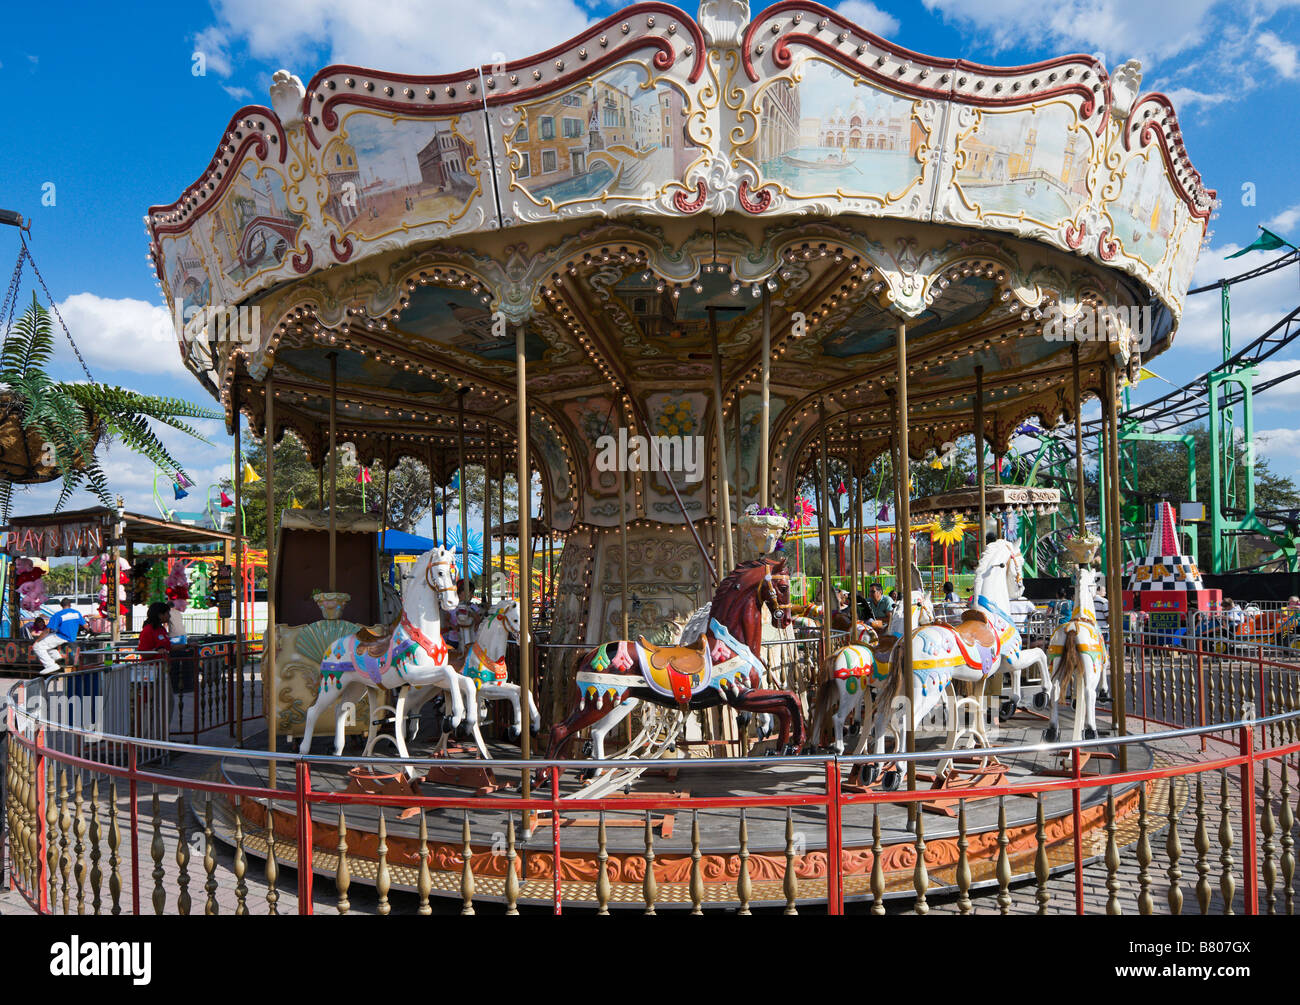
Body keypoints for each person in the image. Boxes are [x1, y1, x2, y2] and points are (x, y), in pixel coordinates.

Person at [33, 598, 86, 675]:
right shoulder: (77, 613)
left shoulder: (58, 615)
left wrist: (37, 640)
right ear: (70, 605)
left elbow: (47, 630)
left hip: (61, 637)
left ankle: (50, 665)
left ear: (61, 605)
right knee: (46, 645)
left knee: (37, 646)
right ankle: (56, 657)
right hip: (71, 638)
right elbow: (85, 626)